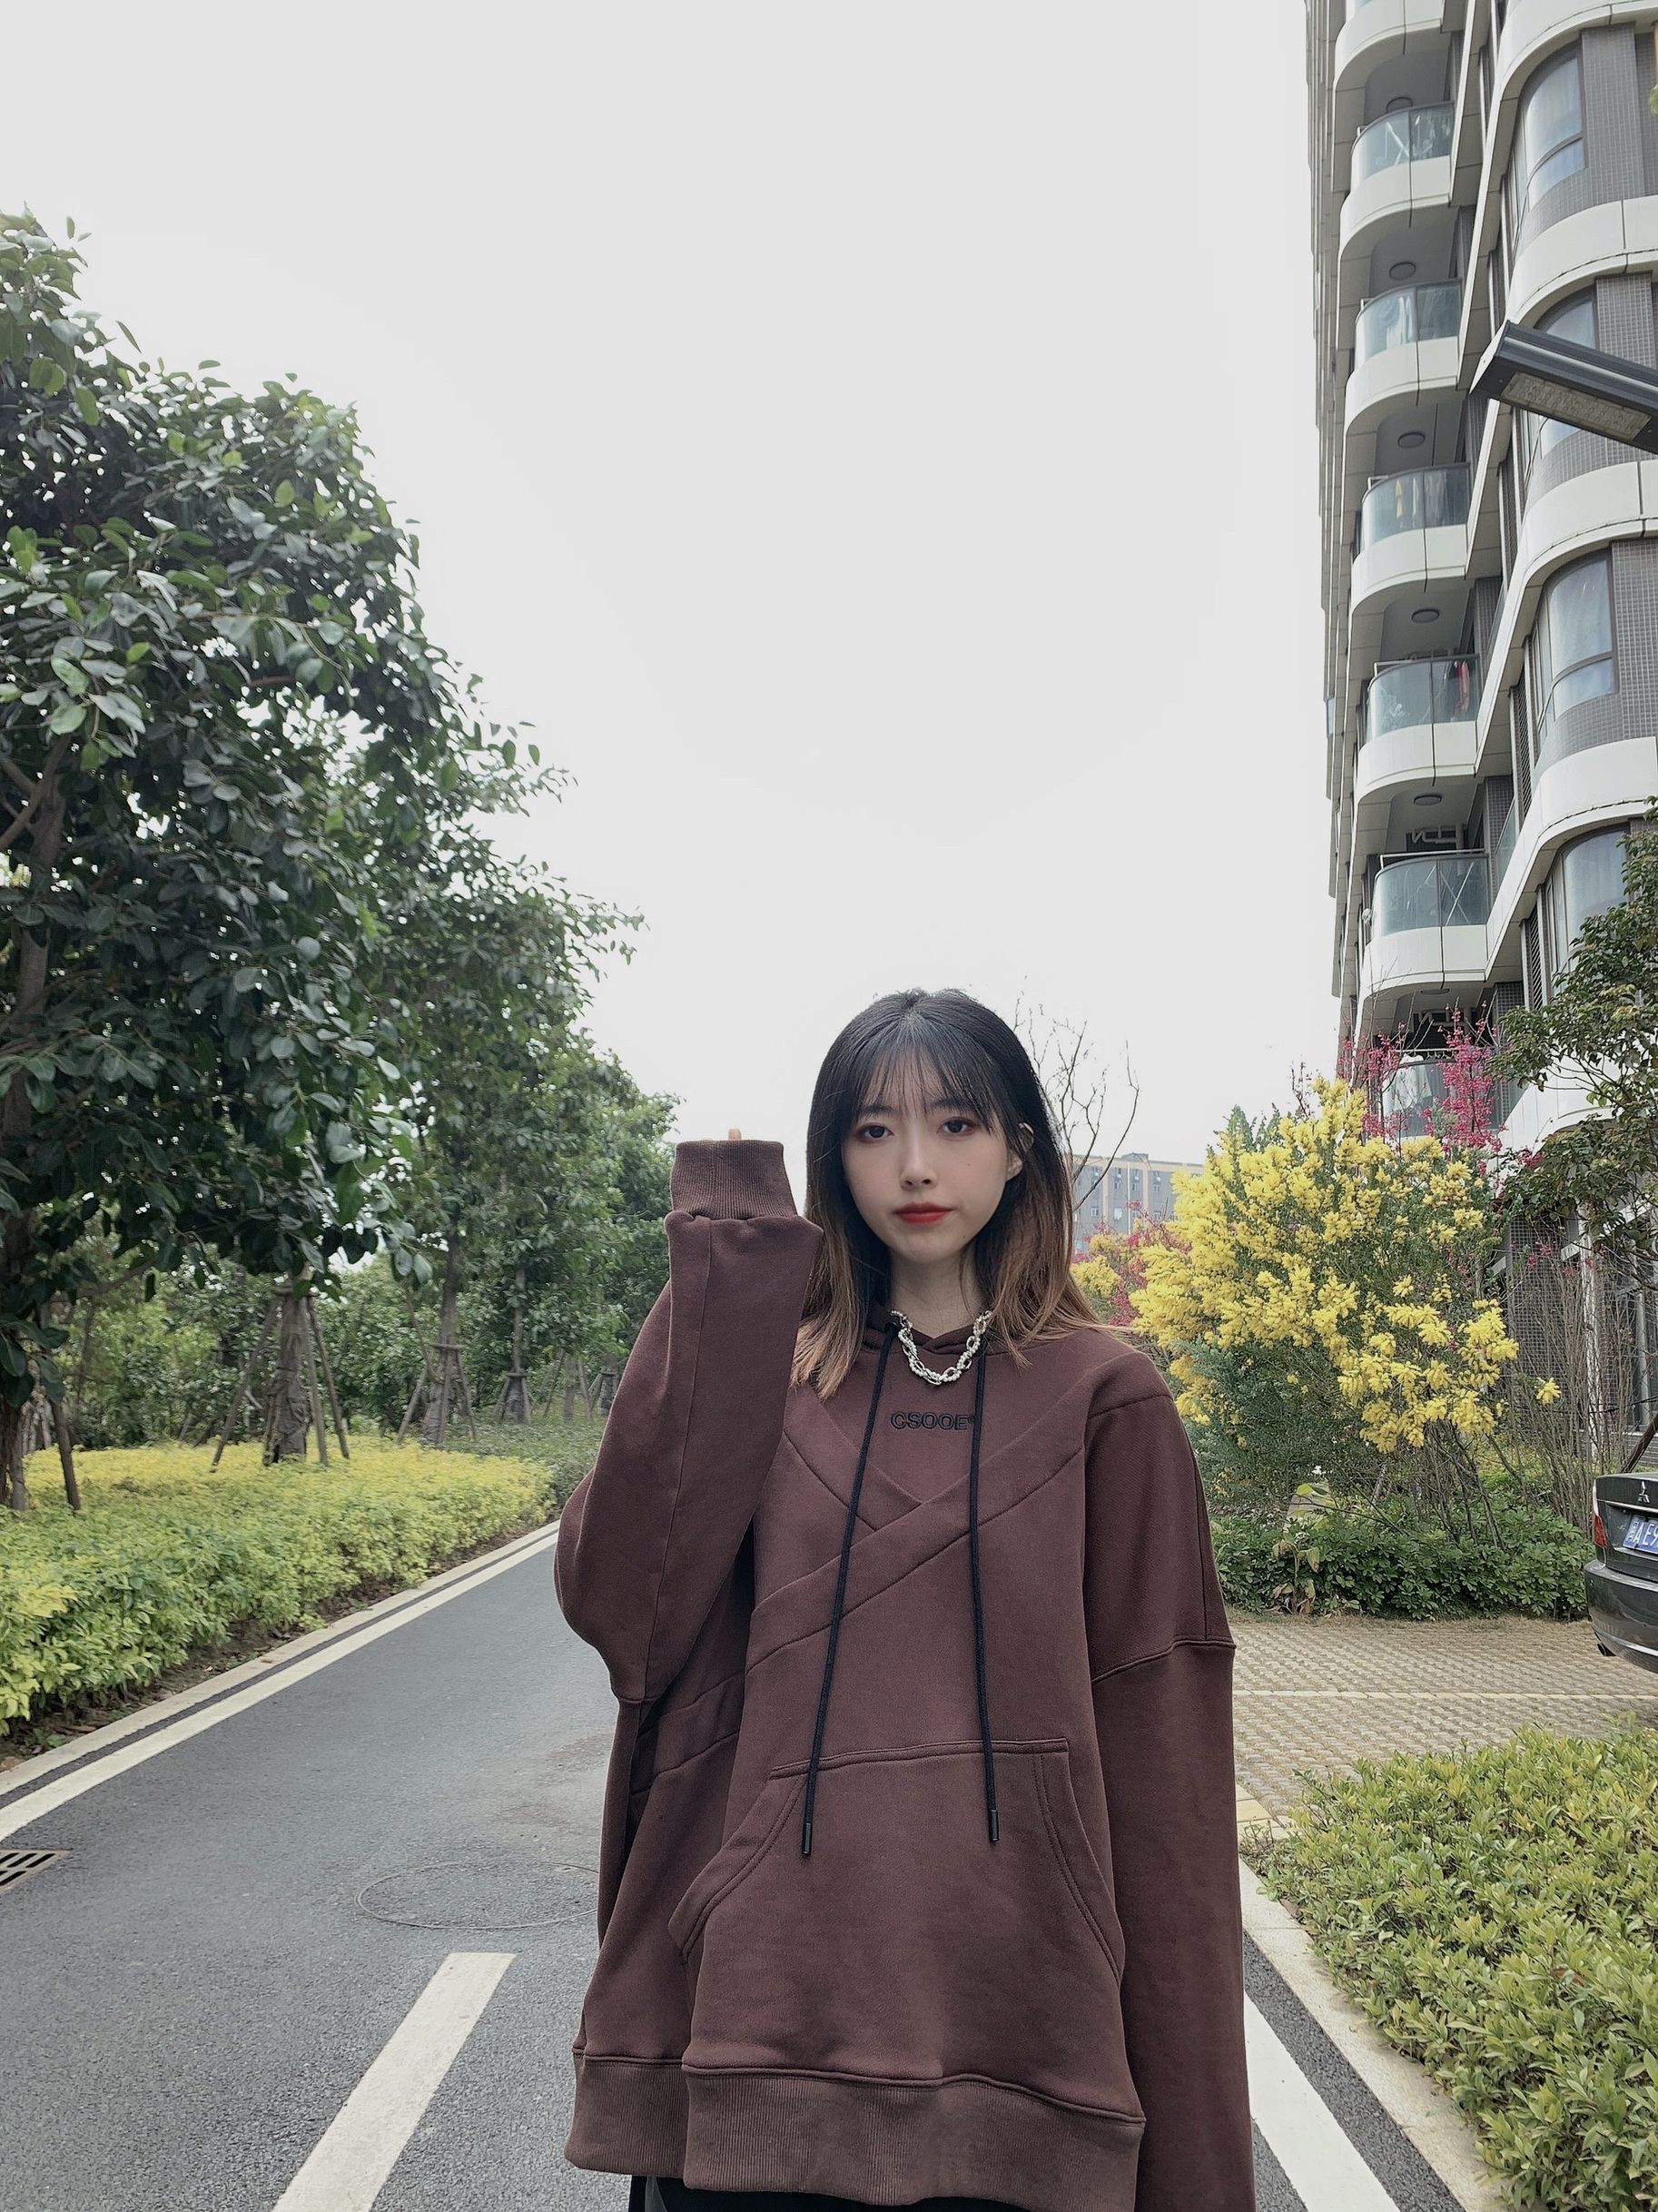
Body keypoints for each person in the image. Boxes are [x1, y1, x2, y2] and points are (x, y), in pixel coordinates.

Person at [555, 989, 1253, 2212]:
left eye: (955, 1124)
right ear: (832, 1158)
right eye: (872, 1131)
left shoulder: (1109, 1403)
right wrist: (724, 1263)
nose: (915, 1165)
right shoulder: (766, 1382)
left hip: (1021, 2053)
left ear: (1018, 1149)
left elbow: (1167, 1790)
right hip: (757, 2037)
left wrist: (1194, 2168)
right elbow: (626, 1610)